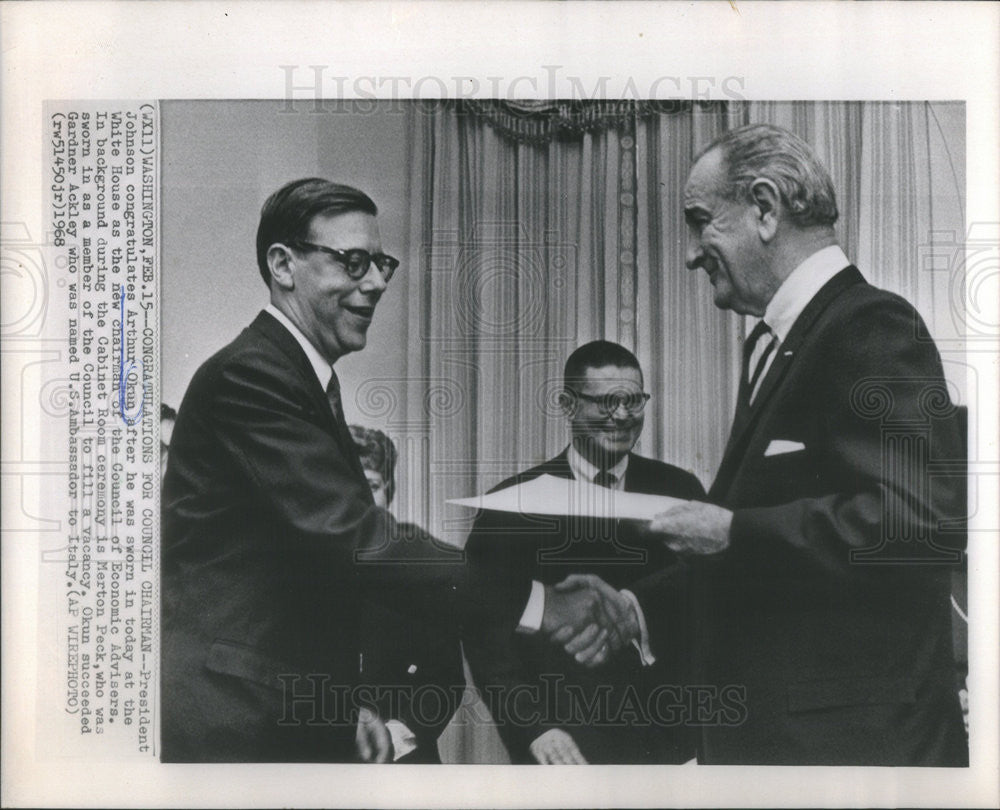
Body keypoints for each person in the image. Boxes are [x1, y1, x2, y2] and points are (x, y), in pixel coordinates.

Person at [624, 124, 968, 765]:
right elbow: (779, 562)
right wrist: (635, 606)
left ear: (763, 207)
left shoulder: (869, 325)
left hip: (856, 759)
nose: (694, 254)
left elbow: (922, 524)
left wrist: (732, 531)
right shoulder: (791, 339)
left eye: (702, 222)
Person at [161, 178, 459, 762]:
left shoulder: (303, 379)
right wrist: (531, 600)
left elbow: (298, 594)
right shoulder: (252, 375)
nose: (374, 282)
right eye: (353, 262)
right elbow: (354, 538)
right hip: (237, 730)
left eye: (380, 264)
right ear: (283, 264)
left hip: (283, 716)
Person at [463, 341, 706, 764]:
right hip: (565, 744)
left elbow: (706, 599)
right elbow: (485, 628)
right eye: (607, 402)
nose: (623, 415)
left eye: (633, 400)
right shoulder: (514, 503)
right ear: (567, 404)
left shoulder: (680, 491)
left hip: (672, 742)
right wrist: (533, 728)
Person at [350, 424, 465, 763]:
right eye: (350, 486)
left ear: (390, 490)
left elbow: (445, 681)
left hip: (407, 765)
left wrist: (393, 736)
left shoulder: (422, 572)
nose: (362, 499)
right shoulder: (302, 573)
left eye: (371, 486)